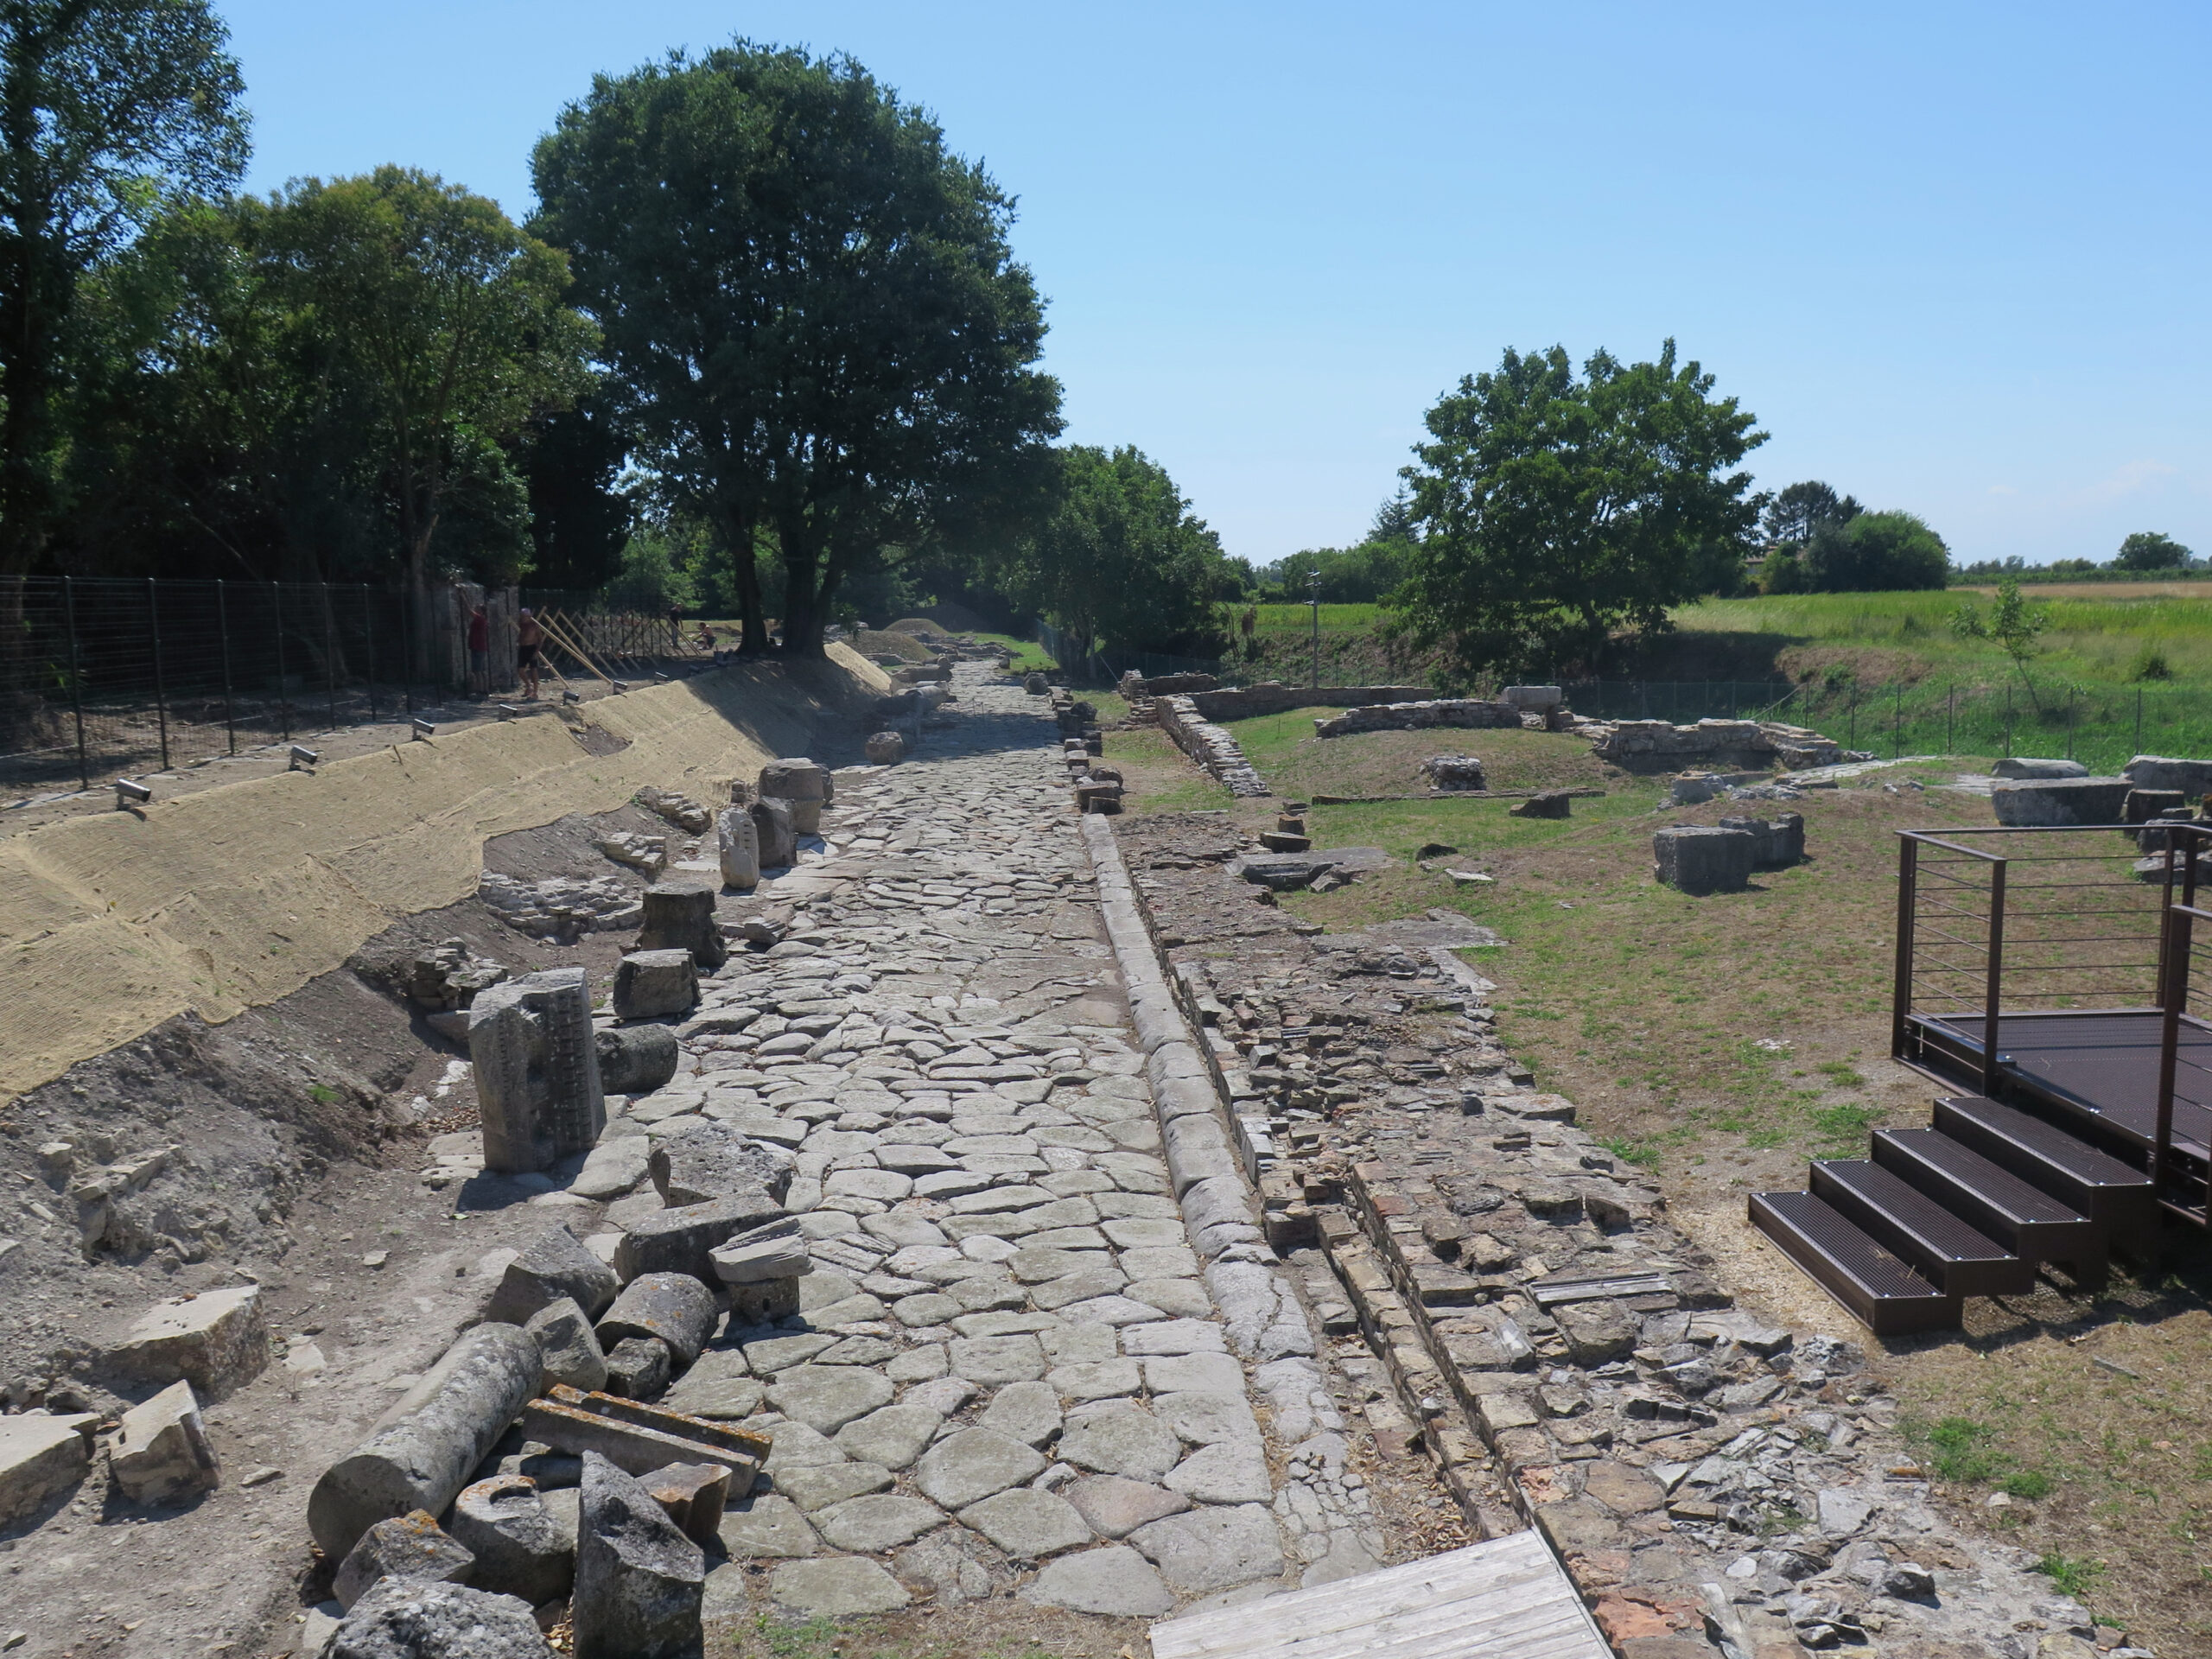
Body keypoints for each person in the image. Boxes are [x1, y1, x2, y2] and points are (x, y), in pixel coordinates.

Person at [516, 607, 543, 701]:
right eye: (522, 616)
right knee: (520, 670)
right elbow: (521, 635)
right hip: (523, 648)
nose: (523, 618)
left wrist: (537, 652)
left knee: (533, 671)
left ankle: (535, 692)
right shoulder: (521, 624)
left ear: (529, 616)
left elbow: (540, 639)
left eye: (525, 616)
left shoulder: (534, 625)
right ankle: (528, 686)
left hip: (532, 648)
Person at [466, 603, 489, 694]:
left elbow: (468, 610)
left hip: (478, 647)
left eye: (478, 608)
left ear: (481, 611)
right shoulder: (482, 619)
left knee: (477, 671)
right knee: (481, 670)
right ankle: (485, 689)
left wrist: (463, 597)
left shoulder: (480, 618)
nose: (476, 608)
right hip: (479, 647)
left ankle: (480, 690)